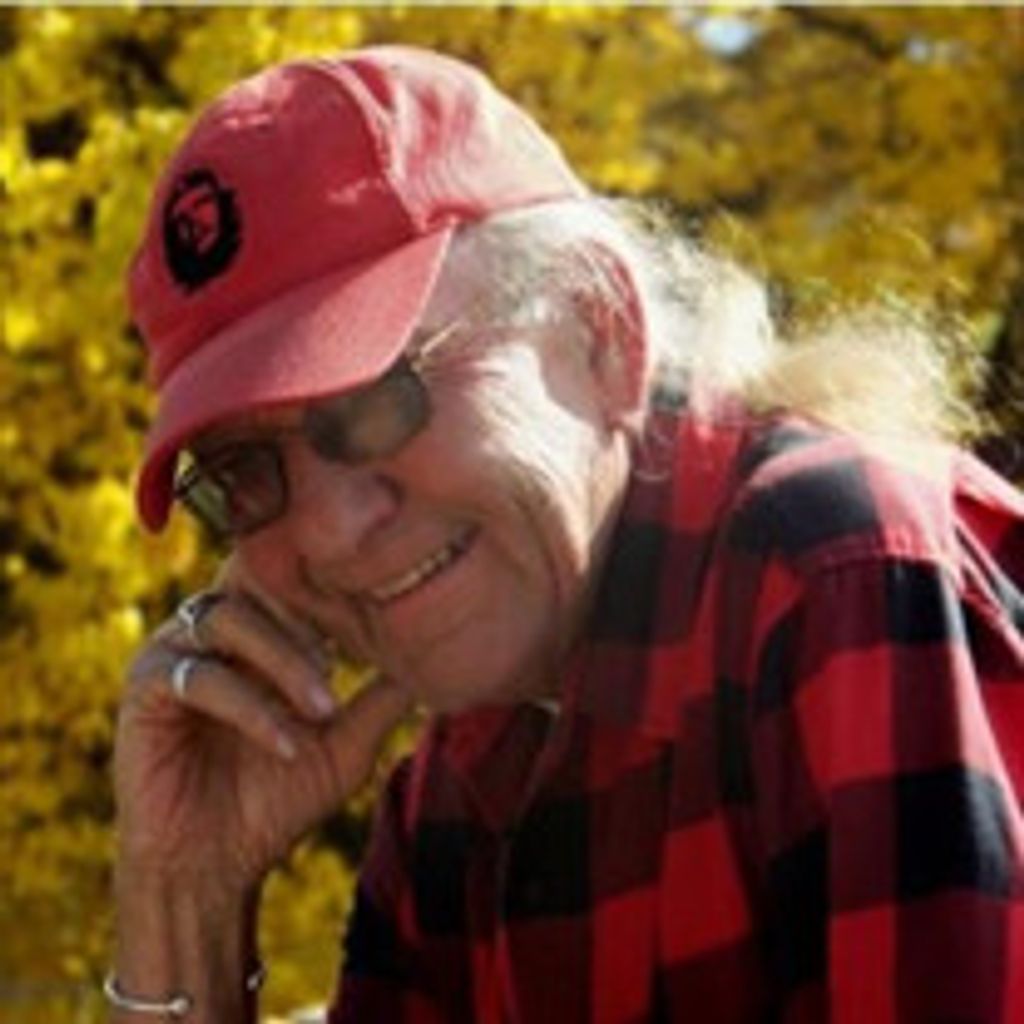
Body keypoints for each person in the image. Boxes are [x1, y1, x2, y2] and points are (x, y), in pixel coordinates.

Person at [110, 45, 1024, 1023]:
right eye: (245, 473)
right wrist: (187, 899)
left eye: (375, 400)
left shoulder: (832, 569)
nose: (330, 532)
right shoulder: (456, 779)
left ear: (600, 328)